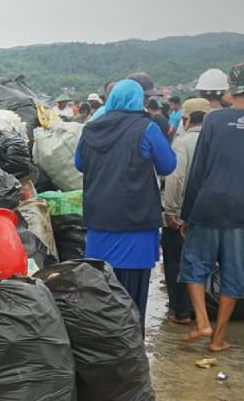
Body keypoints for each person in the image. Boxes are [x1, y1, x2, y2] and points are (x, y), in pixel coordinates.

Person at [178, 60, 244, 352]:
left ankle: (201, 320)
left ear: (232, 89)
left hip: (208, 205)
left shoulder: (214, 120)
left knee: (195, 266)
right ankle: (218, 338)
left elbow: (198, 170)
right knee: (235, 274)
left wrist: (187, 214)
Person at [73, 79, 177, 323]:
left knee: (102, 293)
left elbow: (79, 164)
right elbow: (168, 164)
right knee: (131, 299)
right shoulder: (146, 129)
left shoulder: (91, 129)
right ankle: (129, 351)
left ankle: (103, 348)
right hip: (135, 224)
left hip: (99, 223)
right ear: (137, 101)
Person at [162, 97, 212, 324]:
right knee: (201, 261)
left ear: (186, 118)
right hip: (209, 212)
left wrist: (170, 211)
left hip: (183, 212)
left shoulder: (182, 142)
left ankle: (180, 311)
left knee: (176, 261)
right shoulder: (216, 140)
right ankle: (200, 309)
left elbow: (175, 177)